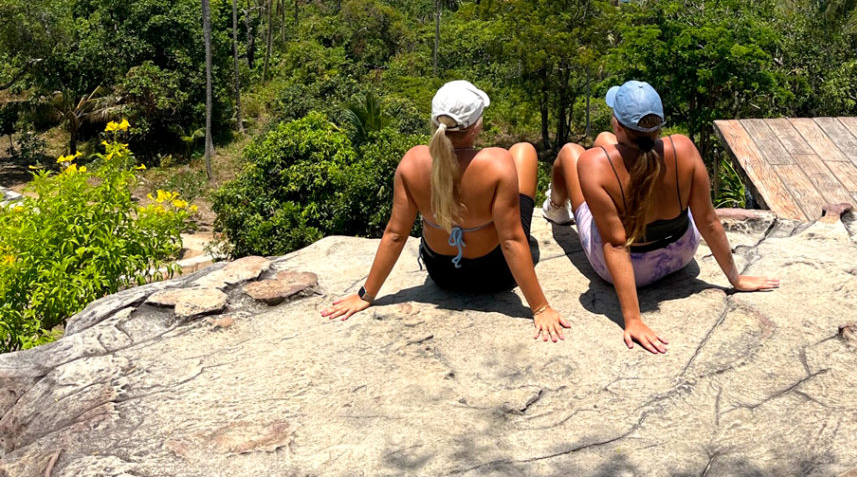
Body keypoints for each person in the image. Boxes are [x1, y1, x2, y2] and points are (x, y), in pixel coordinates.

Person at [322, 80, 569, 340]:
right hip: (496, 275)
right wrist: (540, 308)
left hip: (442, 274)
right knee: (524, 151)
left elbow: (395, 233)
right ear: (476, 126)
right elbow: (510, 240)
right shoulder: (496, 162)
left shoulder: (412, 161)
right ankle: (555, 207)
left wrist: (366, 295)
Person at [542, 80, 777, 353]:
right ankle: (558, 206)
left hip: (632, 267)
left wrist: (633, 319)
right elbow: (708, 220)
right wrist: (736, 279)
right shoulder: (683, 148)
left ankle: (556, 209)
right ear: (658, 125)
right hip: (680, 253)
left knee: (571, 152)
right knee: (604, 142)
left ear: (618, 123)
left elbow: (616, 244)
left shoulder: (592, 164)